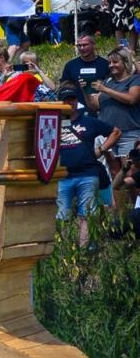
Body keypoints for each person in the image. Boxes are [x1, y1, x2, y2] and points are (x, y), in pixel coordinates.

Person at [56, 85, 119, 246]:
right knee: (62, 216)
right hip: (63, 175)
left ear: (77, 101)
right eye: (65, 99)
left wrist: (102, 149)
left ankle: (84, 252)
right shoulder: (53, 122)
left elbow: (116, 131)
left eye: (72, 98)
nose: (69, 102)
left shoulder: (89, 121)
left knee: (86, 215)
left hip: (87, 173)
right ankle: (66, 253)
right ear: (59, 101)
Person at [89, 49, 140, 166]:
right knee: (111, 172)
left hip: (129, 134)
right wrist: (86, 92)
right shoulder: (107, 80)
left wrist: (105, 90)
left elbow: (132, 99)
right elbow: (95, 106)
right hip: (107, 134)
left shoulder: (135, 79)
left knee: (129, 170)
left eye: (115, 62)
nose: (111, 65)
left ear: (125, 62)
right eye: (110, 62)